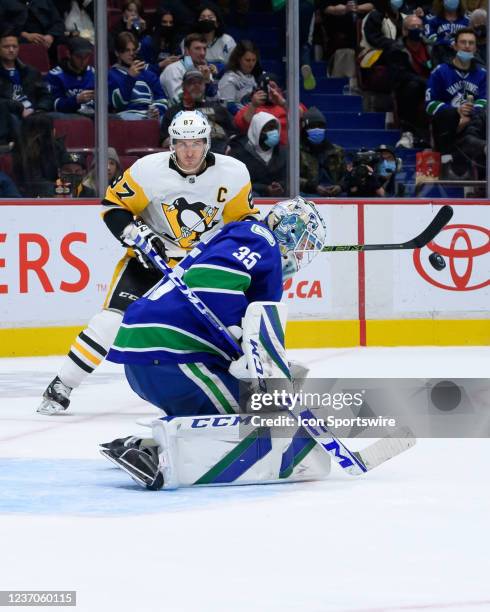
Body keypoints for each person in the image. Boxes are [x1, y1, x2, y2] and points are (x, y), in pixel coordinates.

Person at [37, 109, 260, 415]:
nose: (190, 150)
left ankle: (246, 390)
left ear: (208, 142)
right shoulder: (148, 170)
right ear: (171, 144)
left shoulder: (233, 173)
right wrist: (134, 232)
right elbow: (113, 207)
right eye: (182, 143)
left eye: (196, 142)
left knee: (225, 330)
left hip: (200, 268)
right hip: (149, 263)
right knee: (111, 321)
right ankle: (62, 384)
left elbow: (244, 222)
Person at [100, 197, 328, 490]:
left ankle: (143, 445)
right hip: (174, 356)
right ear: (290, 231)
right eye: (305, 244)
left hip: (153, 356)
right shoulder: (261, 240)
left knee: (247, 407)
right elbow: (212, 283)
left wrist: (252, 352)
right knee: (258, 416)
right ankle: (156, 457)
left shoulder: (241, 237)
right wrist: (241, 341)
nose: (303, 254)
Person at [425, 27, 486, 178]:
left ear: (475, 48)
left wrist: (469, 114)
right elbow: (430, 105)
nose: (467, 46)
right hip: (448, 127)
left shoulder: (483, 74)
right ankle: (447, 163)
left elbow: (485, 100)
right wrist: (456, 112)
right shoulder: (440, 72)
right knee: (448, 116)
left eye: (471, 43)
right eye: (463, 42)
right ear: (454, 46)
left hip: (474, 124)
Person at [161, 68, 237, 153]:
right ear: (183, 86)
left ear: (204, 86)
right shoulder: (173, 112)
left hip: (222, 152)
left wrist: (231, 146)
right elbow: (164, 142)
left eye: (200, 83)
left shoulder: (217, 108)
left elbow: (233, 134)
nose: (196, 86)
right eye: (192, 83)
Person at [390, 14, 431, 148]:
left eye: (420, 27)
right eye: (413, 27)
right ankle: (408, 132)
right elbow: (399, 75)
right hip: (408, 87)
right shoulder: (396, 49)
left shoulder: (430, 47)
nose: (417, 30)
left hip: (429, 85)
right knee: (412, 87)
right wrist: (422, 81)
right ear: (405, 31)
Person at [109, 32, 168, 122]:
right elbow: (119, 104)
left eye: (133, 50)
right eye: (127, 50)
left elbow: (161, 98)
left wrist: (157, 110)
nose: (131, 53)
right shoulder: (111, 75)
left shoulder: (147, 74)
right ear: (117, 53)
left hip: (151, 117)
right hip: (126, 116)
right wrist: (130, 78)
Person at [0, 27, 53, 126]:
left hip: (33, 113)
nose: (11, 50)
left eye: (14, 46)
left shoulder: (30, 72)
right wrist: (18, 108)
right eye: (6, 46)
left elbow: (46, 95)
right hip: (9, 114)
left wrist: (39, 110)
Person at [233, 73, 305, 145]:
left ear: (279, 89)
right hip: (259, 150)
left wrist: (283, 103)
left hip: (287, 152)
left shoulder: (289, 105)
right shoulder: (251, 107)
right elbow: (241, 125)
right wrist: (253, 105)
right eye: (265, 87)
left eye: (273, 87)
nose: (269, 90)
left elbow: (303, 117)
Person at [228, 111, 287, 197]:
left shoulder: (282, 152)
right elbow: (235, 184)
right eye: (269, 128)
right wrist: (265, 189)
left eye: (275, 128)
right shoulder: (238, 153)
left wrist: (280, 186)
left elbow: (287, 179)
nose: (274, 132)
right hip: (249, 196)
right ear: (257, 130)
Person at [12, 112, 65, 197]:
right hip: (32, 198)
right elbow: (35, 184)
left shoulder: (57, 147)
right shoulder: (24, 153)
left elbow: (67, 173)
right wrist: (60, 190)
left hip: (55, 191)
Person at [299, 106, 347, 197]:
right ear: (304, 128)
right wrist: (313, 187)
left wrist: (340, 186)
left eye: (320, 126)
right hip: (307, 197)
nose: (317, 129)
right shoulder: (296, 152)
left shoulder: (337, 151)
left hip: (334, 198)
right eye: (312, 126)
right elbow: (291, 179)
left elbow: (346, 176)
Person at [160, 33, 218, 106]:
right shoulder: (173, 69)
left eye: (204, 49)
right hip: (178, 115)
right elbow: (178, 101)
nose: (202, 53)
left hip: (203, 113)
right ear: (187, 50)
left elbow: (215, 101)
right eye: (197, 48)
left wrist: (208, 82)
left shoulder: (204, 70)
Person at [45, 36, 95, 116]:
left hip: (94, 115)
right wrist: (76, 100)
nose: (83, 61)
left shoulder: (94, 73)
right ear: (68, 54)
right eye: (78, 57)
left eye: (86, 57)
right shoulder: (55, 75)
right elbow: (54, 105)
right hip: (70, 116)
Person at [218, 39, 262, 115]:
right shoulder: (229, 79)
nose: (251, 64)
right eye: (247, 60)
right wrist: (244, 118)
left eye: (254, 60)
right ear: (238, 59)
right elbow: (228, 107)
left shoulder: (254, 78)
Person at [190, 2, 236, 73]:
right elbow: (185, 65)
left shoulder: (227, 40)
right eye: (202, 17)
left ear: (217, 23)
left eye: (210, 17)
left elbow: (234, 65)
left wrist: (219, 68)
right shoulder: (189, 40)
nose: (206, 20)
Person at [424, 0, 469, 66]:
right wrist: (448, 42)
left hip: (463, 55)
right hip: (440, 56)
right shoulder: (433, 20)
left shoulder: (467, 20)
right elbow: (431, 39)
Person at [138, 9, 181, 75]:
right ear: (157, 23)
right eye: (164, 22)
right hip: (151, 79)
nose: (168, 25)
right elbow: (141, 68)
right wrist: (160, 65)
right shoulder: (146, 42)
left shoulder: (175, 41)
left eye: (171, 22)